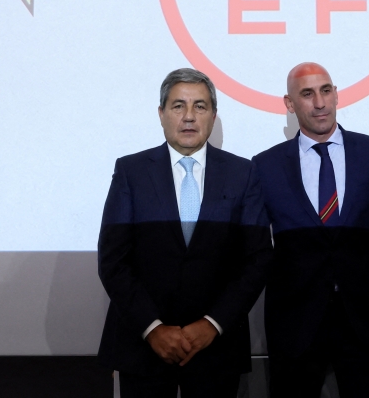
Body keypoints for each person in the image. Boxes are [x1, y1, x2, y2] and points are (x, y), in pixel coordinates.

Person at [97, 68, 273, 398]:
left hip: (217, 347)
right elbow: (113, 261)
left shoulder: (243, 173)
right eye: (178, 106)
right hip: (143, 347)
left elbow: (257, 259)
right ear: (161, 113)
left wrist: (213, 324)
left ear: (213, 115)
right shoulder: (130, 172)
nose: (189, 117)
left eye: (200, 106)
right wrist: (153, 329)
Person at [251, 62, 369, 398]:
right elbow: (254, 247)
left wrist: (363, 246)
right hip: (294, 326)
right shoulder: (264, 165)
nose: (319, 103)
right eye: (307, 94)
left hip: (363, 322)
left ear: (335, 94)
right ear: (289, 104)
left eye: (326, 90)